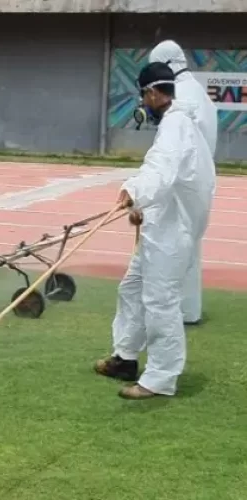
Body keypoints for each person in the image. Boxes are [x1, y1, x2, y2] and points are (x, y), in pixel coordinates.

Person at [94, 62, 216, 400]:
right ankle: (125, 359)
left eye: (143, 95)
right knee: (131, 290)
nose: (143, 103)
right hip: (162, 226)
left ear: (152, 92)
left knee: (160, 303)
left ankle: (160, 379)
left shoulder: (176, 125)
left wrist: (133, 193)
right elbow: (171, 179)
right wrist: (141, 209)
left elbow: (161, 168)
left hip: (173, 235)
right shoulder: (179, 124)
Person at [149, 40, 218, 325]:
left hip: (182, 181)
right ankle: (188, 310)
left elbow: (172, 147)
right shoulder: (199, 92)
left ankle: (173, 310)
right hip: (200, 178)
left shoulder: (180, 97)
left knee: (172, 247)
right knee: (189, 246)